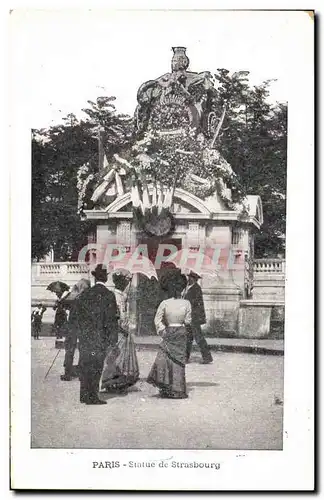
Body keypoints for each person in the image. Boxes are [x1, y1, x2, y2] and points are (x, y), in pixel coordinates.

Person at [74, 264, 119, 405]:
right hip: (100, 336)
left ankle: (84, 395)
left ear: (94, 277)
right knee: (96, 366)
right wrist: (113, 337)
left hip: (85, 335)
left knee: (85, 364)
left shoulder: (85, 294)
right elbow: (111, 319)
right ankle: (92, 396)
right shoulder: (109, 295)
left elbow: (78, 315)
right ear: (105, 278)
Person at [147, 273, 191, 399]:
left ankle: (166, 386)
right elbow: (188, 321)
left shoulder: (165, 303)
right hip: (181, 332)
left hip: (169, 331)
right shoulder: (187, 303)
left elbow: (157, 320)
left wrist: (162, 330)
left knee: (167, 359)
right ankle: (177, 388)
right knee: (179, 361)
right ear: (183, 288)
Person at [100, 272, 139, 392]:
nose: (127, 283)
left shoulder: (123, 296)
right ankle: (111, 381)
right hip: (117, 331)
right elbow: (113, 316)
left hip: (124, 330)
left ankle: (121, 381)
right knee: (115, 357)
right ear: (119, 282)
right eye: (124, 281)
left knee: (124, 356)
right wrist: (122, 328)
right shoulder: (114, 296)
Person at [60, 279, 91, 381]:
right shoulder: (88, 298)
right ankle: (82, 374)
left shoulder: (73, 297)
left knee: (69, 350)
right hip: (84, 327)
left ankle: (67, 373)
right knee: (83, 350)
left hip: (72, 327)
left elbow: (63, 304)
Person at [182, 271, 213, 364]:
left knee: (198, 338)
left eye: (191, 277)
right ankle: (185, 358)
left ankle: (207, 357)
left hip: (194, 317)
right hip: (189, 317)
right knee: (188, 338)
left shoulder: (196, 288)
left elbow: (195, 304)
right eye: (189, 277)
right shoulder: (188, 288)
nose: (189, 279)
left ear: (194, 279)